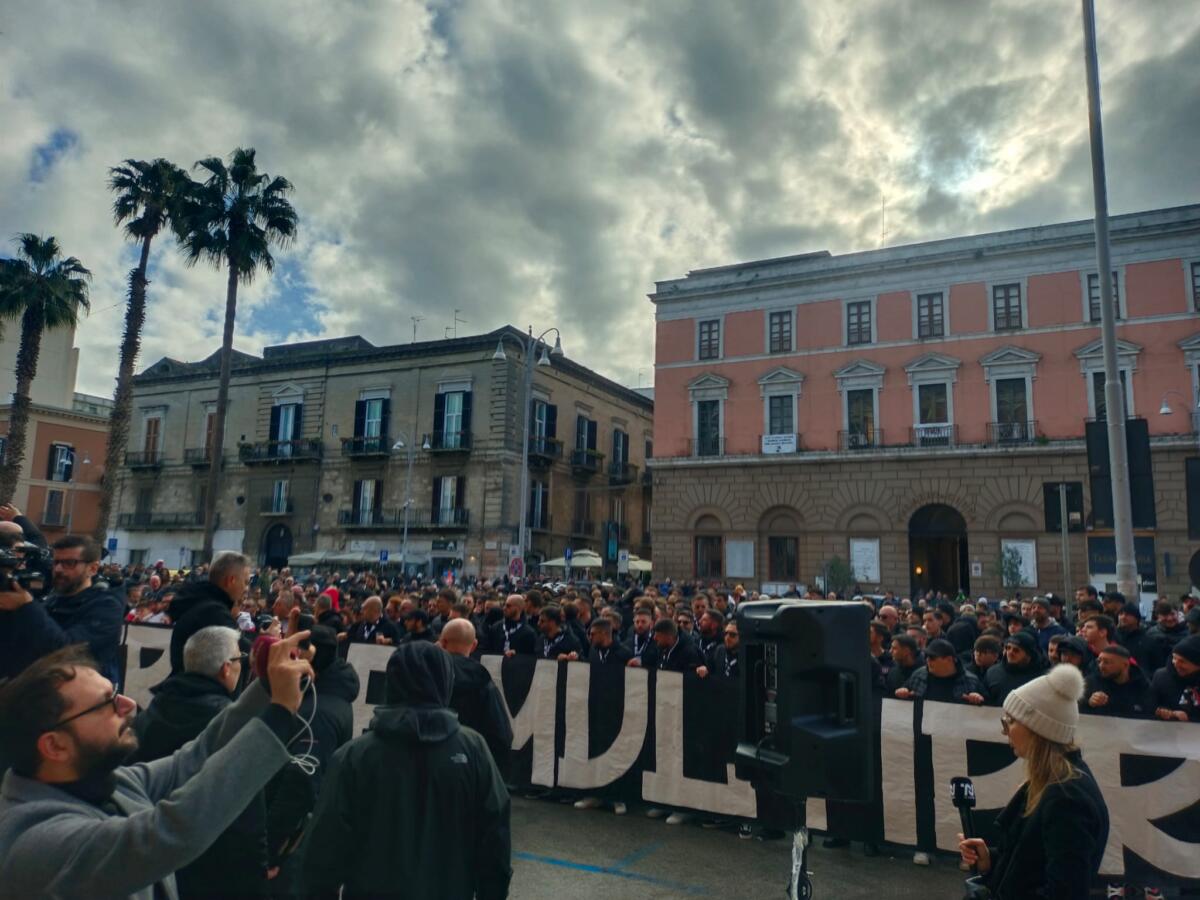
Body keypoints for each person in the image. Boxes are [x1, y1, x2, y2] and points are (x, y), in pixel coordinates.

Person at [0, 632, 312, 900]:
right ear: (55, 746)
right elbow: (168, 833)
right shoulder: (35, 843)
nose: (129, 705)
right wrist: (278, 716)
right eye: (106, 703)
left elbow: (196, 757)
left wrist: (267, 687)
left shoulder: (105, 782)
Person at [299, 642, 512, 899]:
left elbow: (323, 848)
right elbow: (495, 838)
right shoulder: (474, 749)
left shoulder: (355, 756)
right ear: (446, 682)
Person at [132, 626, 270, 897]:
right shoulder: (231, 725)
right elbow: (248, 813)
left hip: (155, 858)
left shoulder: (150, 713)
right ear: (226, 669)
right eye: (239, 660)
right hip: (217, 865)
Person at [958, 665, 1109, 899]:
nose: (1004, 731)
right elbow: (1030, 863)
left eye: (1010, 721)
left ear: (1037, 729)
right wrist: (991, 860)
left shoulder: (1067, 798)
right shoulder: (1055, 780)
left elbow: (1065, 891)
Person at [0, 535, 125, 685]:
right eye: (56, 562)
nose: (58, 569)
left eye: (69, 563)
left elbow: (66, 652)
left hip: (80, 697)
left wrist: (26, 606)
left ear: (92, 568)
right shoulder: (51, 600)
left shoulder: (106, 607)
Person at [439, 619, 513, 768]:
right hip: (468, 763)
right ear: (474, 645)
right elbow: (501, 735)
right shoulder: (483, 681)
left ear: (443, 642)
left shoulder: (425, 676)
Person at [166, 551, 251, 675]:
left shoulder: (198, 599)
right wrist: (267, 639)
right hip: (197, 689)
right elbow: (247, 653)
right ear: (231, 580)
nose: (246, 588)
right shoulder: (214, 612)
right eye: (246, 582)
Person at [894, 639, 986, 704]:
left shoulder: (970, 681)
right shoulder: (918, 676)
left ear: (949, 659)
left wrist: (978, 700)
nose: (928, 661)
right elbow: (905, 691)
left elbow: (988, 707)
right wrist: (902, 692)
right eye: (927, 657)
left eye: (932, 658)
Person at [1081, 644, 1152, 719]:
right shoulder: (1091, 682)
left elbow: (1150, 714)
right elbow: (1077, 710)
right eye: (1099, 661)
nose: (1101, 666)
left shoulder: (1142, 685)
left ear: (1125, 665)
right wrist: (1089, 703)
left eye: (1107, 662)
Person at [985, 631, 1046, 706]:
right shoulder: (992, 673)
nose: (1010, 652)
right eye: (1008, 648)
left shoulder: (1041, 678)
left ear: (1029, 655)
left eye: (1016, 650)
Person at [1149, 635, 1200, 722]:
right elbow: (1150, 706)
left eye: (1182, 661)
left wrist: (1189, 719)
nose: (1176, 664)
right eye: (1174, 658)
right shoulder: (1161, 677)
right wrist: (1166, 713)